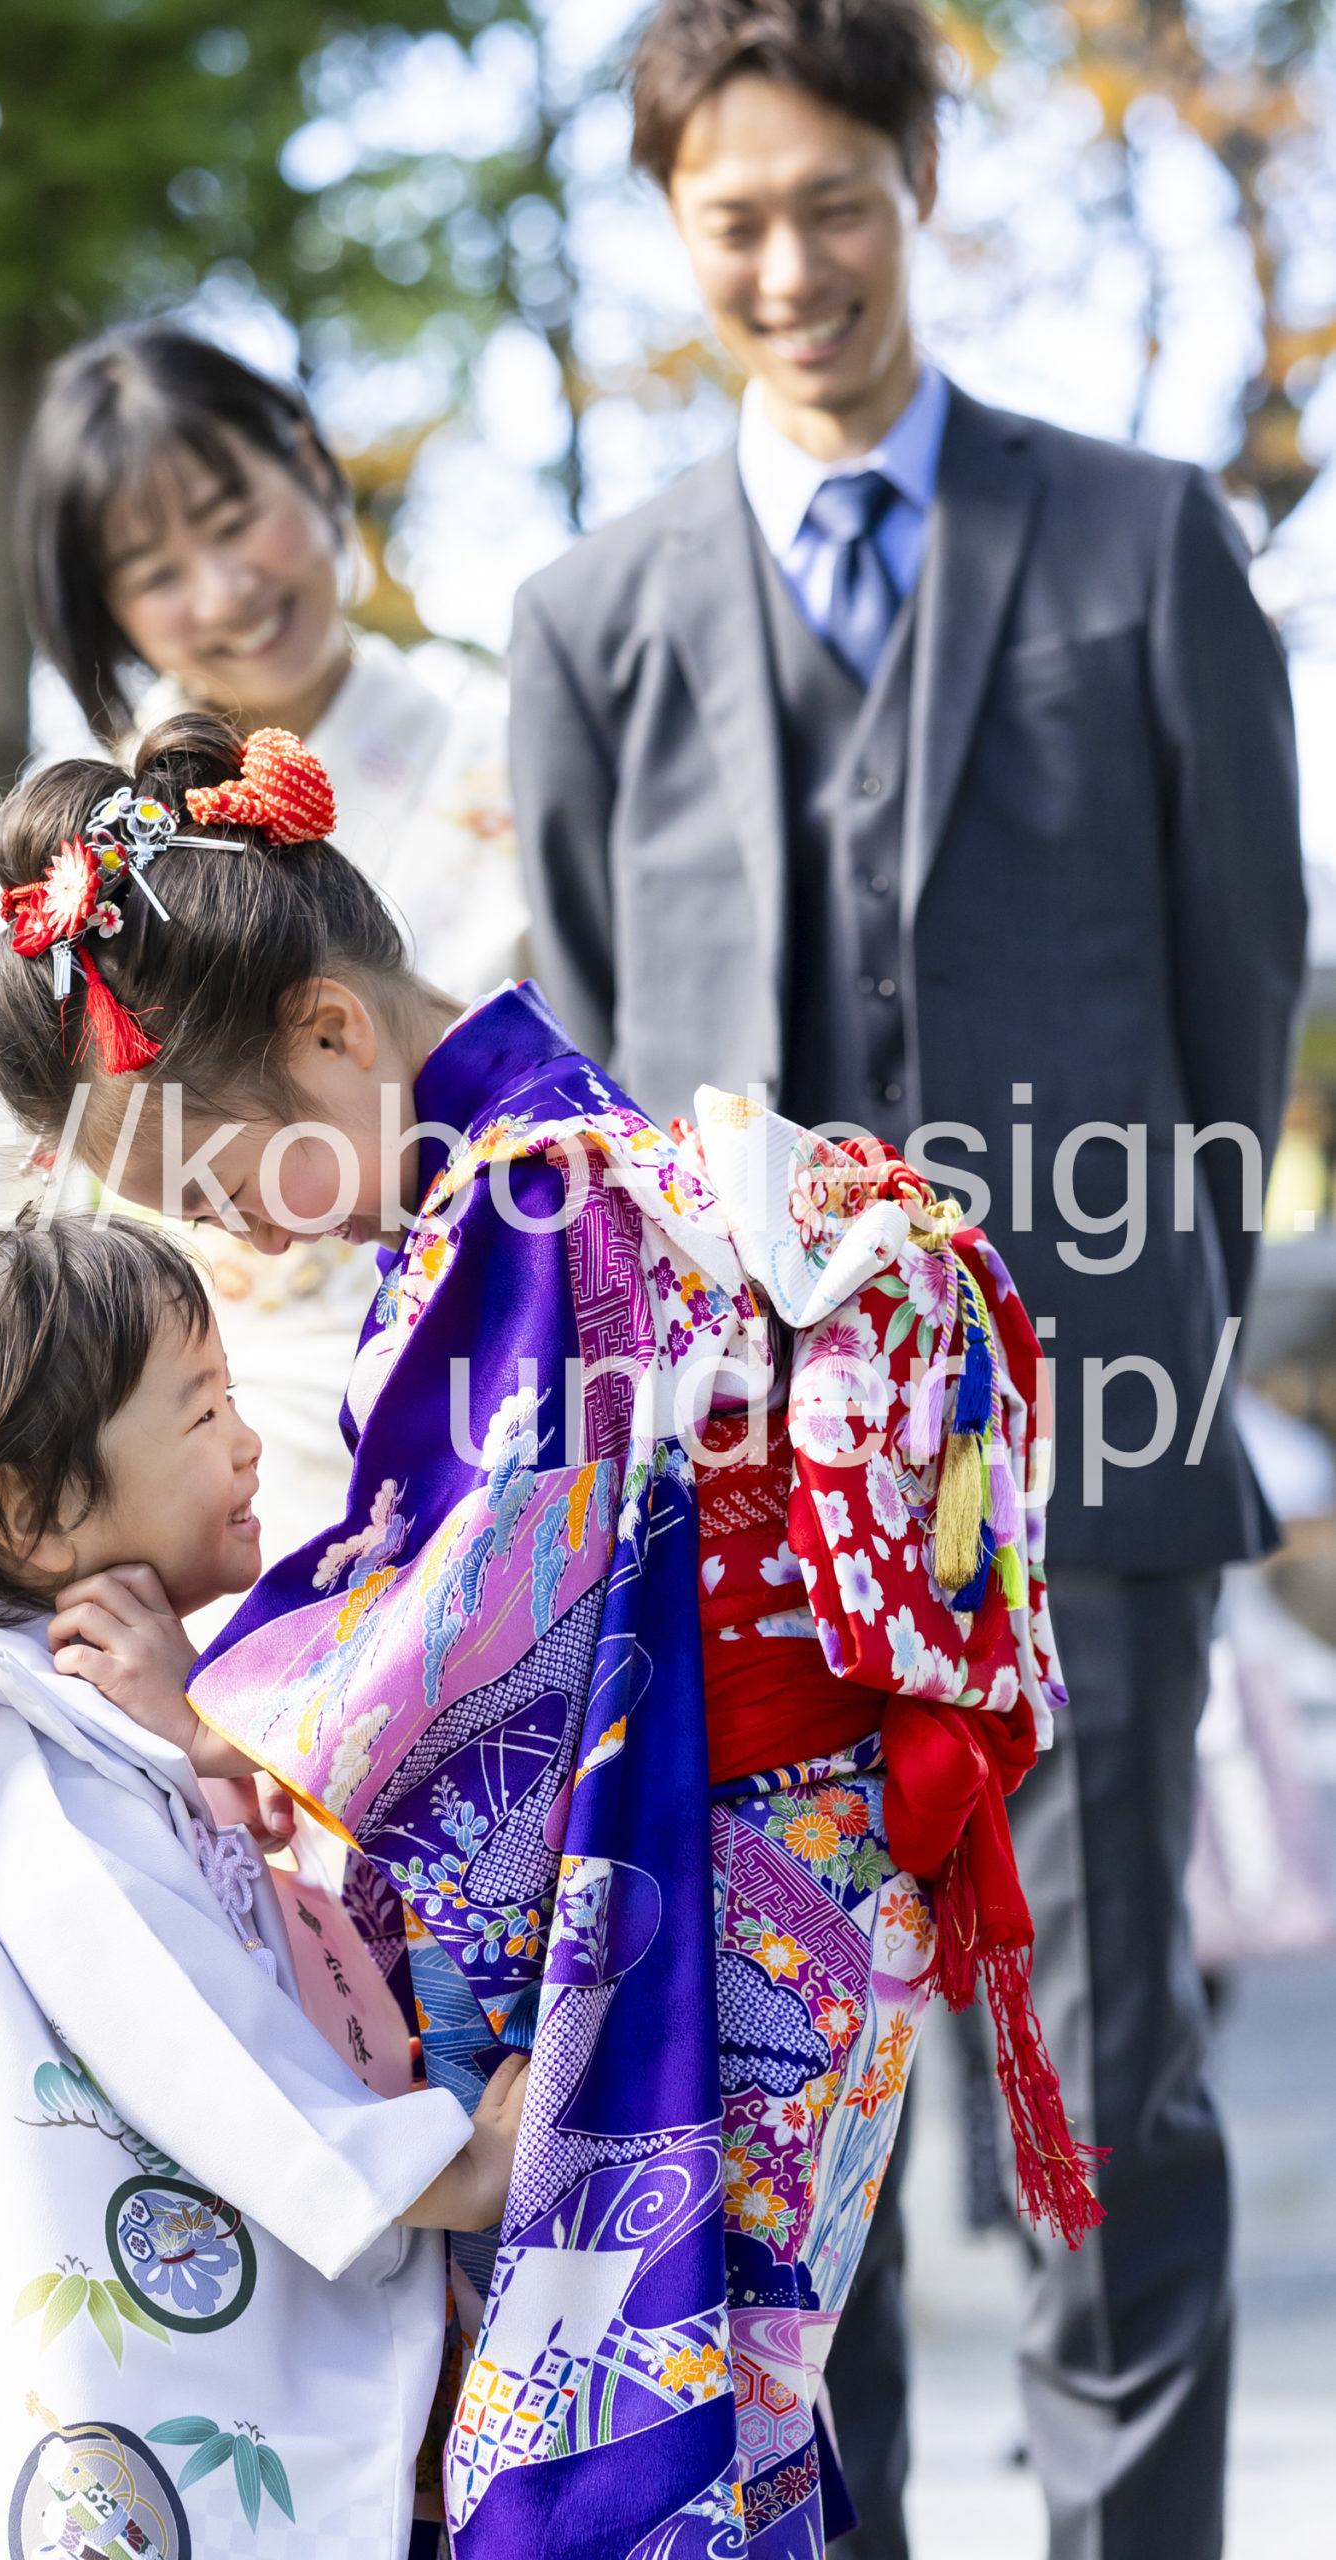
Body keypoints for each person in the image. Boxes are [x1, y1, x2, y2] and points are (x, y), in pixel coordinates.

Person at [0, 710, 1090, 2555]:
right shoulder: (528, 1172)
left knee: (630, 2445)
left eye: (217, 1182)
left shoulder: (532, 1200)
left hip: (724, 1875)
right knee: (703, 2421)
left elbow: (471, 1624)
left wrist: (210, 1721)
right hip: (750, 1856)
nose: (234, 1238)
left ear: (332, 1032)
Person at [505, 0, 1308, 2551]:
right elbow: (588, 1096)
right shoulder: (591, 615)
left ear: (917, 183)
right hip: (746, 1515)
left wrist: (1134, 1354)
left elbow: (1235, 993)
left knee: (1104, 2103)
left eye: (832, 203)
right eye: (731, 221)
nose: (791, 268)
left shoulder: (1140, 541)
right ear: (672, 231)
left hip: (1077, 1475)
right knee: (790, 2130)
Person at [0, 324, 526, 1773]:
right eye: (155, 569)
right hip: (182, 1468)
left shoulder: (508, 745)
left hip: (486, 1412)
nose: (225, 590)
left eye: (234, 516)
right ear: (104, 607)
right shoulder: (84, 855)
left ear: (309, 464)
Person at [0, 1208, 529, 2560]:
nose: (248, 1442)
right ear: (32, 1510)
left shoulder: (57, 1710)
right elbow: (181, 2023)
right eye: (202, 1410)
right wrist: (448, 2171)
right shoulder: (5, 1740)